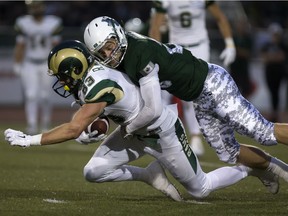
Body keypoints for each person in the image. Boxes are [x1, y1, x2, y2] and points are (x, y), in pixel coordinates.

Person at [4, 40, 280, 202]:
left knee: (200, 189)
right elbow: (103, 118)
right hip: (132, 128)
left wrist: (30, 140)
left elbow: (74, 127)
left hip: (160, 129)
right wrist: (97, 129)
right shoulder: (92, 79)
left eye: (62, 76)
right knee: (93, 172)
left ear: (75, 71)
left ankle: (249, 169)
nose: (61, 82)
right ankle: (148, 174)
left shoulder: (96, 83)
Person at [83, 16, 288, 184]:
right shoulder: (124, 54)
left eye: (109, 46)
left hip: (213, 84)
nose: (109, 54)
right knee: (228, 153)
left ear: (117, 35)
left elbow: (153, 109)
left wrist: (128, 129)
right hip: (199, 97)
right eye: (102, 52)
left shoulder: (139, 53)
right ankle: (278, 170)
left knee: (264, 133)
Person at [148, 0, 236, 156]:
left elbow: (220, 17)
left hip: (200, 47)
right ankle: (164, 134)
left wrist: (230, 43)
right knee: (163, 92)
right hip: (176, 48)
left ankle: (195, 136)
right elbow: (156, 26)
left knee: (194, 94)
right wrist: (155, 51)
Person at [13, 0, 62, 134]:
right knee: (31, 95)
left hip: (46, 63)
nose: (35, 8)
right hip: (29, 63)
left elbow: (56, 46)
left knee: (45, 96)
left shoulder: (53, 22)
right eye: (33, 6)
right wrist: (17, 63)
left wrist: (56, 64)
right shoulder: (23, 22)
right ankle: (32, 125)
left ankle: (45, 123)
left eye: (37, 5)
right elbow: (20, 45)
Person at [260, 22, 288, 122]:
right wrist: (274, 57)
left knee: (278, 93)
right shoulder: (267, 45)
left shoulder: (283, 45)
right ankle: (274, 113)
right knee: (272, 92)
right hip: (269, 72)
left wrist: (271, 57)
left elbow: (282, 57)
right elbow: (264, 58)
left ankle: (277, 113)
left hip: (279, 72)